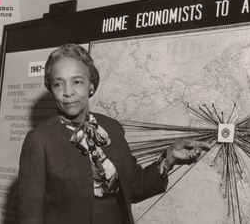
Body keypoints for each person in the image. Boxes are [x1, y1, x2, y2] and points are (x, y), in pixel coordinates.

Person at [18, 43, 211, 224]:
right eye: (58, 84)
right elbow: (30, 218)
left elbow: (134, 186)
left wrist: (168, 159)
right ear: (51, 89)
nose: (68, 92)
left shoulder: (111, 128)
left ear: (91, 85)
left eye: (77, 81)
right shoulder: (40, 140)